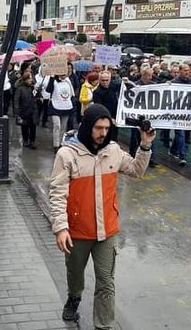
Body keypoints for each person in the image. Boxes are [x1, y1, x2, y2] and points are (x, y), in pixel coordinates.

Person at [49, 104, 155, 328]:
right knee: (75, 272)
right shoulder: (67, 154)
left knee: (106, 282)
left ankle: (103, 325)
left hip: (107, 229)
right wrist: (61, 227)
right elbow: (57, 193)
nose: (103, 133)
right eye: (98, 128)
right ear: (88, 126)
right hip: (77, 230)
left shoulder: (113, 150)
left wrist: (145, 146)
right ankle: (74, 296)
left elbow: (136, 170)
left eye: (107, 128)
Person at [128, 68, 159, 167]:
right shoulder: (135, 85)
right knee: (135, 136)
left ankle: (151, 159)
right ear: (144, 75)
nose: (151, 77)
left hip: (149, 115)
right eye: (149, 75)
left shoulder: (154, 85)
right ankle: (133, 155)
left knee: (150, 136)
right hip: (137, 115)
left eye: (151, 75)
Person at [46, 74, 75, 151]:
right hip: (55, 106)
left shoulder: (68, 81)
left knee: (63, 127)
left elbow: (72, 93)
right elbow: (48, 90)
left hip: (66, 106)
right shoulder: (54, 81)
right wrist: (51, 78)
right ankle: (56, 145)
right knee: (57, 125)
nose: (63, 76)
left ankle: (61, 143)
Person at [92, 71, 121, 142]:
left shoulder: (113, 86)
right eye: (103, 80)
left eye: (107, 80)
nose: (105, 82)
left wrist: (126, 81)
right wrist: (110, 118)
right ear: (99, 80)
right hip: (105, 119)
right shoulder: (96, 92)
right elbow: (99, 109)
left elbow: (123, 85)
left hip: (115, 116)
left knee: (114, 138)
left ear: (110, 80)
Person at [16, 72, 39, 149]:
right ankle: (25, 140)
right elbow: (16, 101)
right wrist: (17, 113)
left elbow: (37, 96)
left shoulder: (33, 88)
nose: (30, 80)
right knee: (25, 127)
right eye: (29, 78)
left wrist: (39, 95)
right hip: (24, 111)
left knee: (33, 127)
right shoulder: (20, 89)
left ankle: (32, 141)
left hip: (33, 110)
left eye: (31, 78)